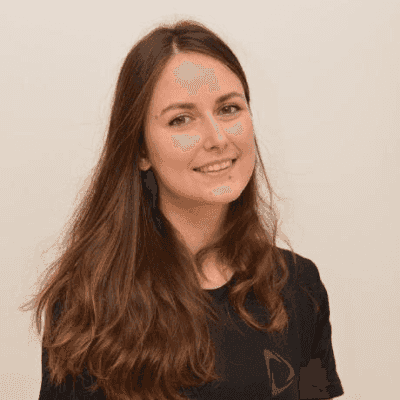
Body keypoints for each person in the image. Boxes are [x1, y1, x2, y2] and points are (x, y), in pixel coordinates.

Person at [20, 18, 344, 400]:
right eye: (181, 119)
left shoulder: (299, 285)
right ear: (141, 150)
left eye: (229, 108)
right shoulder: (87, 304)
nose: (217, 138)